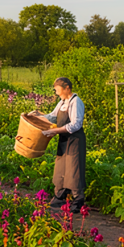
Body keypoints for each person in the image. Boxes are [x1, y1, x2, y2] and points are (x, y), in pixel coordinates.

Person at [28, 77, 87, 213]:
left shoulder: (75, 102)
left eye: (57, 89)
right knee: (61, 168)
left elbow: (76, 124)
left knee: (73, 169)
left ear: (67, 88)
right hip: (63, 139)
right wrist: (36, 115)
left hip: (75, 140)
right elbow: (52, 117)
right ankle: (60, 195)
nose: (56, 93)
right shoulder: (62, 102)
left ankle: (78, 200)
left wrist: (54, 131)